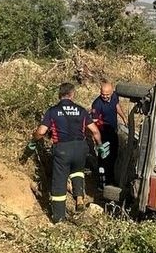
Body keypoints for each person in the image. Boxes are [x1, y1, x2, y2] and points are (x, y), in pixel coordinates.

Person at [31, 83, 103, 223]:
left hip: (62, 149)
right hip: (81, 148)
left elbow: (41, 132)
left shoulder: (53, 111)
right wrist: (99, 145)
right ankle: (79, 200)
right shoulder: (81, 110)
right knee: (77, 171)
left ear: (60, 95)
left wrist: (33, 142)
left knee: (59, 181)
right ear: (72, 94)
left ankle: (59, 218)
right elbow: (95, 131)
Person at [90, 80, 126, 186]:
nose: (104, 96)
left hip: (113, 131)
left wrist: (123, 117)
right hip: (103, 134)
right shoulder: (97, 104)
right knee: (104, 158)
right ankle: (103, 182)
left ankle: (112, 178)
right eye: (102, 94)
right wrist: (98, 141)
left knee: (114, 155)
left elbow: (116, 106)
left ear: (111, 92)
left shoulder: (114, 96)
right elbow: (94, 124)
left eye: (107, 94)